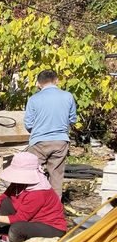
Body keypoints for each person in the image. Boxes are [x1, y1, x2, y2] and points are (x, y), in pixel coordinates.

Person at [0, 152, 67, 242]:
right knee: (6, 202)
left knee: (17, 228)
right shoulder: (19, 183)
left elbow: (20, 218)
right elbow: (5, 196)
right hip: (32, 221)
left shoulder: (38, 192)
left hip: (50, 227)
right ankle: (4, 239)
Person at [24, 69, 77, 199]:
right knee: (56, 176)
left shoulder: (34, 99)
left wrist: (39, 132)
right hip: (60, 141)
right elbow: (72, 119)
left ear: (38, 84)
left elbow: (28, 124)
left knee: (32, 174)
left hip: (38, 143)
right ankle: (54, 210)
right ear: (56, 81)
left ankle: (32, 204)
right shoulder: (68, 96)